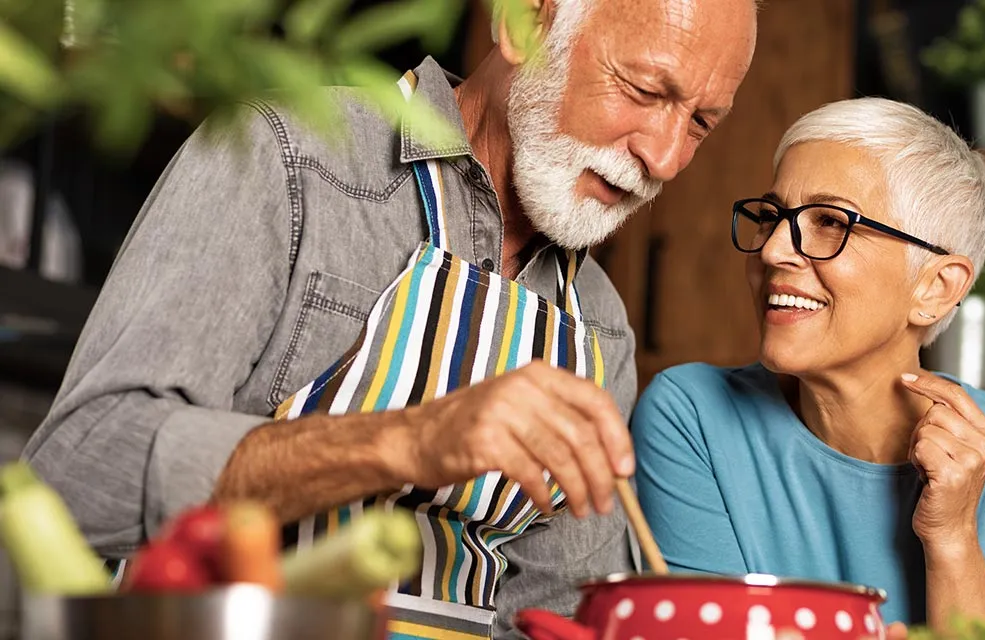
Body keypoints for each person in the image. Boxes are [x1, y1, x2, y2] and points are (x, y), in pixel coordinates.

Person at [22, 0, 757, 637]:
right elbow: (78, 475)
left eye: (700, 123)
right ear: (523, 23)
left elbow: (545, 616)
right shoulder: (285, 158)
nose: (662, 156)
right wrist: (405, 441)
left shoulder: (598, 329)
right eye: (642, 88)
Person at [631, 98, 985, 638]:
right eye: (773, 216)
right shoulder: (692, 417)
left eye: (830, 222)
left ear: (935, 289)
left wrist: (953, 537)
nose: (774, 250)